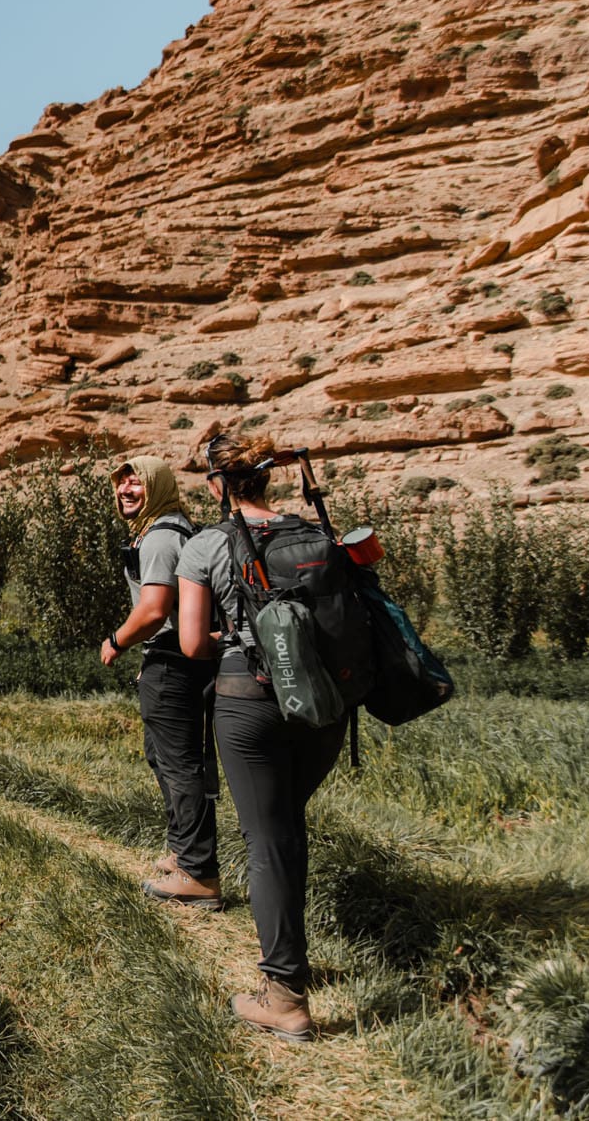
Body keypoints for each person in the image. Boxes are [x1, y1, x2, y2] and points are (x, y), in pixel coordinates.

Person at [176, 432, 347, 1043]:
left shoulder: (206, 545)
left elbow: (194, 643)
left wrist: (239, 636)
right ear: (267, 478)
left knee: (268, 840)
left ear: (217, 485)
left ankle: (284, 994)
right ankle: (292, 957)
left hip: (250, 707)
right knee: (285, 830)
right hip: (324, 709)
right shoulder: (314, 533)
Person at [103, 455, 219, 910]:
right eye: (120, 484)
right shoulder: (171, 529)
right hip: (173, 657)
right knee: (166, 756)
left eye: (136, 482)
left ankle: (199, 873)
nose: (125, 490)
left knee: (178, 762)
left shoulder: (162, 537)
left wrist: (117, 640)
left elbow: (154, 610)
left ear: (158, 485)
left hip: (174, 659)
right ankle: (182, 851)